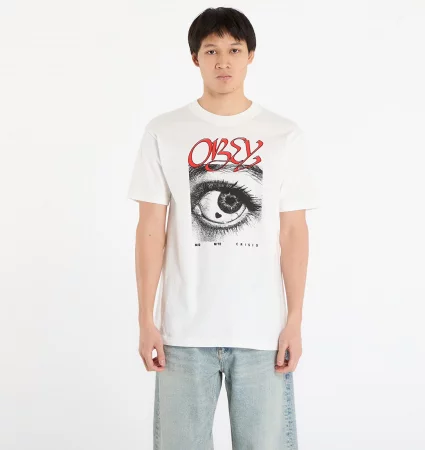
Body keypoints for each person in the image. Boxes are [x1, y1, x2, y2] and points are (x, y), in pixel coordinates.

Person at [127, 6, 319, 449]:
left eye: (234, 49)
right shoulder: (164, 131)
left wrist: (294, 320)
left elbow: (293, 233)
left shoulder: (283, 134)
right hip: (182, 334)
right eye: (211, 50)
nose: (223, 61)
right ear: (195, 58)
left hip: (262, 333)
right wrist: (145, 319)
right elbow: (150, 229)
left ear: (251, 55)